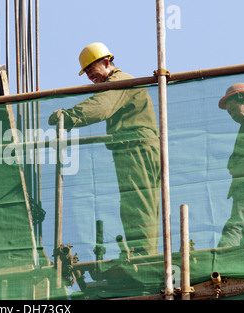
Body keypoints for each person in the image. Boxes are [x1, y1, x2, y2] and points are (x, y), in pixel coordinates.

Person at [48, 42, 161, 256]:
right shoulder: (122, 81)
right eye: (87, 72)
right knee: (141, 202)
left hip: (134, 148)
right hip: (137, 147)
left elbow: (101, 106)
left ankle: (143, 256)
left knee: (136, 203)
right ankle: (146, 253)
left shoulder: (120, 81)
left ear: (107, 62)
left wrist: (68, 117)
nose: (90, 76)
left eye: (92, 69)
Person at [217, 83, 244, 247]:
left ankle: (223, 257)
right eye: (229, 112)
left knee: (238, 223)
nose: (232, 115)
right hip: (242, 183)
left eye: (233, 109)